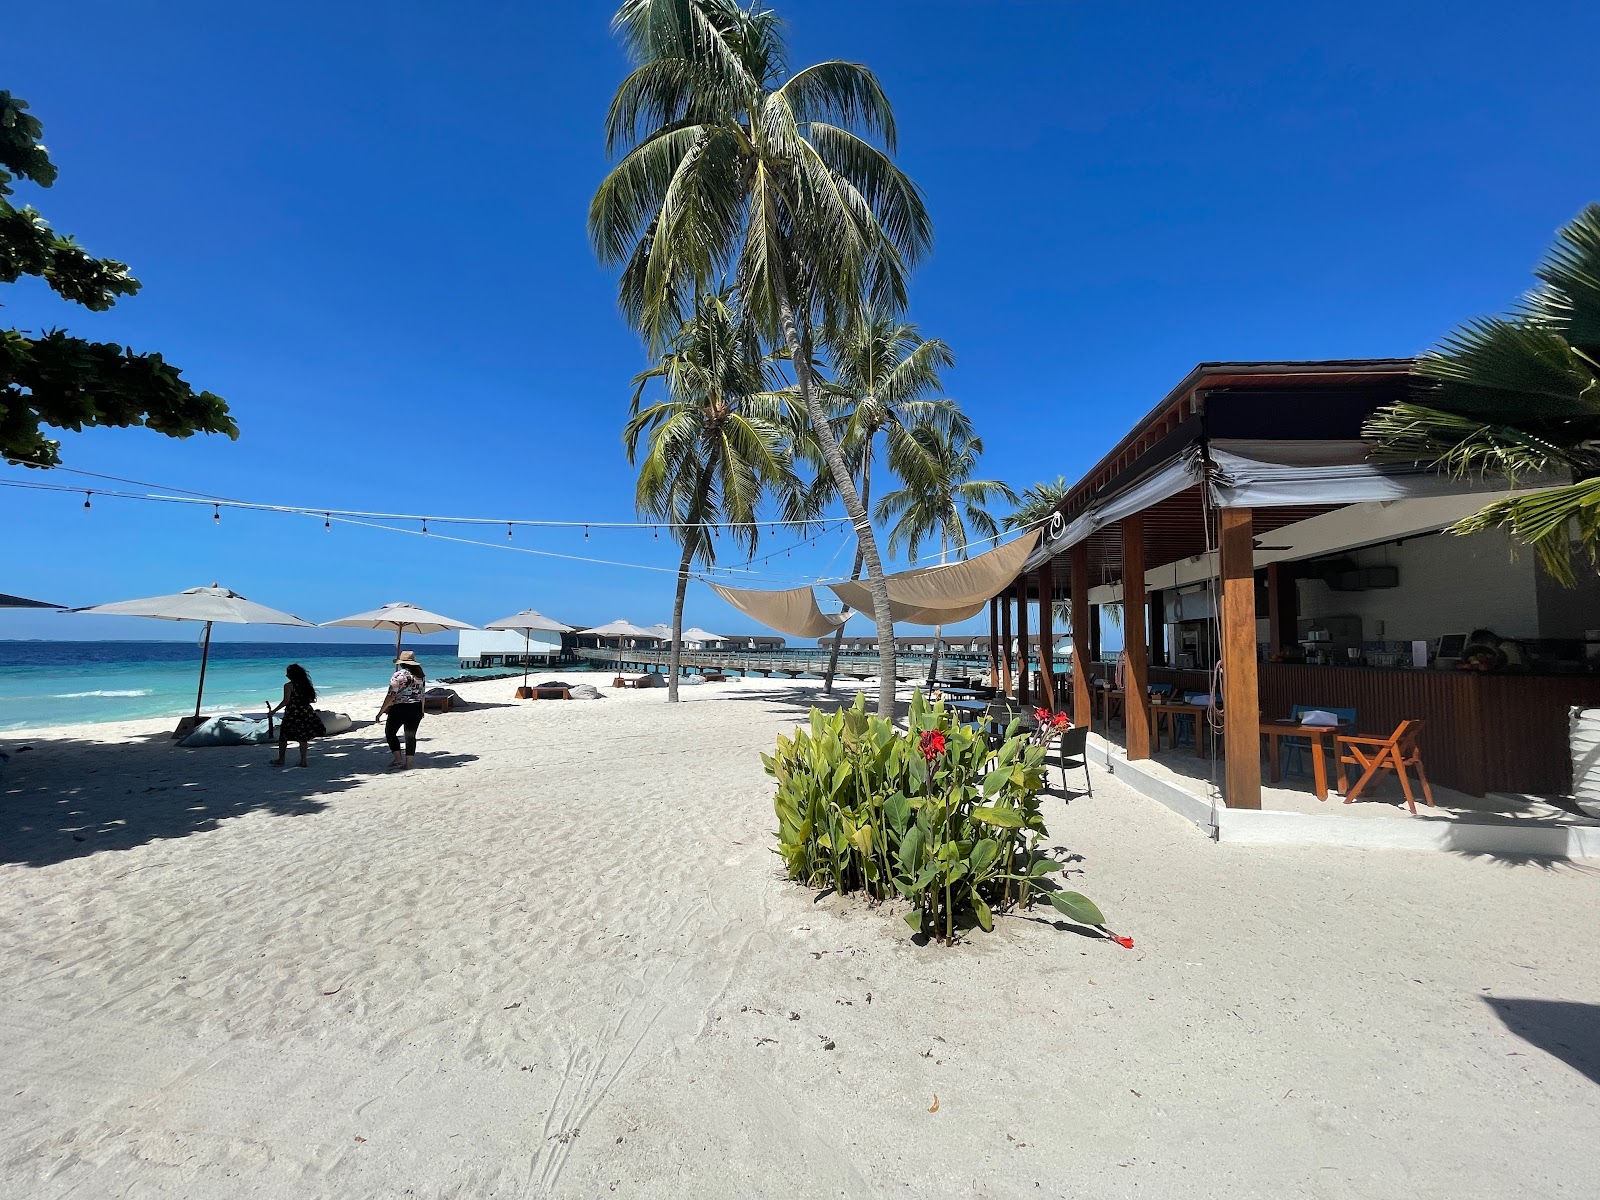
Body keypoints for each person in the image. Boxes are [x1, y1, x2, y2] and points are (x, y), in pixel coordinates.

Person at [269, 663, 325, 768]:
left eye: (287, 673)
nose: (286, 675)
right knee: (302, 737)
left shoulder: (288, 686)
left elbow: (286, 701)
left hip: (292, 713)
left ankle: (281, 760)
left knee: (283, 737)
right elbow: (311, 700)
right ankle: (303, 761)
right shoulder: (306, 685)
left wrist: (274, 711)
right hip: (305, 712)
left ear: (292, 674)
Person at [382, 650, 427, 770]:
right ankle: (408, 764)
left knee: (390, 733)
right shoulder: (420, 675)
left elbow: (391, 695)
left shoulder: (398, 675)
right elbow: (422, 695)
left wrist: (381, 711)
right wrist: (422, 710)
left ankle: (398, 759)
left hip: (399, 708)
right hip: (416, 708)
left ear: (401, 663)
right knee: (410, 736)